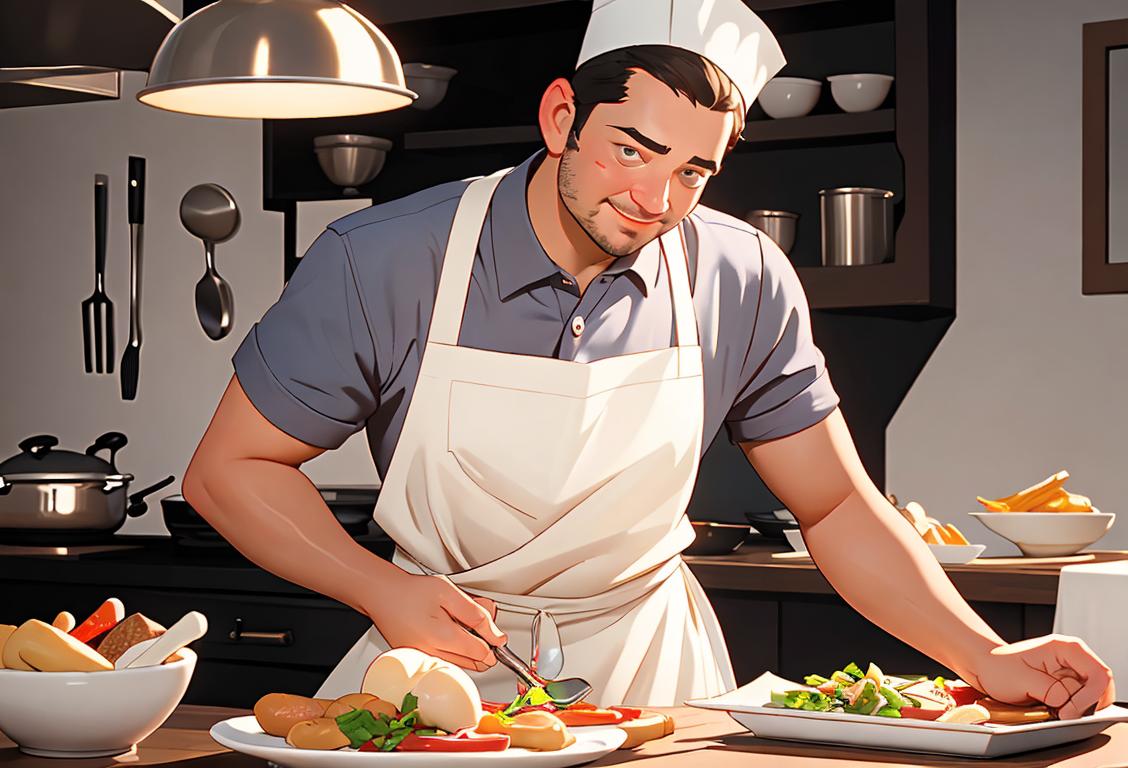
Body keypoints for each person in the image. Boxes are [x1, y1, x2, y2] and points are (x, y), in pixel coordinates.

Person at [183, 0, 1114, 714]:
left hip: (658, 683)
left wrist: (983, 655)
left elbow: (834, 505)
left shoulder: (740, 274)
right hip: (435, 668)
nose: (655, 199)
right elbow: (229, 472)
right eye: (633, 149)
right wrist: (379, 587)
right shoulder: (383, 259)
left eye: (694, 172)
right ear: (561, 118)